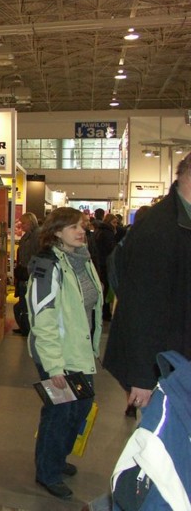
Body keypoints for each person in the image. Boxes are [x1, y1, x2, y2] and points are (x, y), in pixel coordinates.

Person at [104, 152, 191, 413]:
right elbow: (141, 306)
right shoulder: (159, 229)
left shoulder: (181, 221)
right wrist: (142, 377)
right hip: (166, 364)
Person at [26, 207, 103, 501]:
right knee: (59, 412)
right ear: (57, 232)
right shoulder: (47, 265)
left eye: (82, 226)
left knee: (81, 407)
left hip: (78, 351)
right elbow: (42, 318)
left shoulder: (82, 259)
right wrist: (54, 366)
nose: (81, 231)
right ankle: (47, 471)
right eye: (73, 227)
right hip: (56, 354)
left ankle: (56, 458)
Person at [12, 212, 40, 336]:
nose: (21, 225)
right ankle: (25, 327)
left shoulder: (36, 236)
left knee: (25, 304)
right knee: (22, 303)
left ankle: (27, 328)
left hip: (29, 274)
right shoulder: (29, 236)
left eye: (24, 223)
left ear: (31, 222)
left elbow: (36, 255)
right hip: (25, 273)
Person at [94, 213, 118, 321]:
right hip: (106, 264)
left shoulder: (99, 231)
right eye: (114, 222)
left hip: (100, 263)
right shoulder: (108, 233)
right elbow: (111, 249)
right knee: (106, 289)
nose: (116, 225)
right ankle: (106, 312)